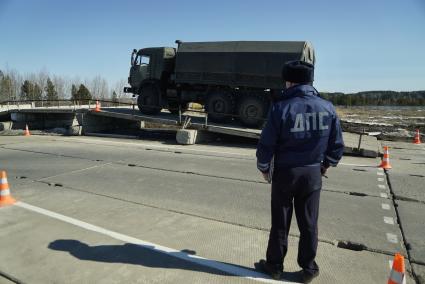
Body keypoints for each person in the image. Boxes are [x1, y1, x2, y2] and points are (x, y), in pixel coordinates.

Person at [256, 60, 344, 283]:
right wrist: (325, 165)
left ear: (289, 81)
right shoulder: (327, 107)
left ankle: (274, 266)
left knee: (281, 222)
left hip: (285, 173)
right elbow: (336, 145)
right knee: (309, 223)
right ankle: (308, 268)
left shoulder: (281, 108)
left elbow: (266, 144)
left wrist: (264, 167)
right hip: (313, 173)